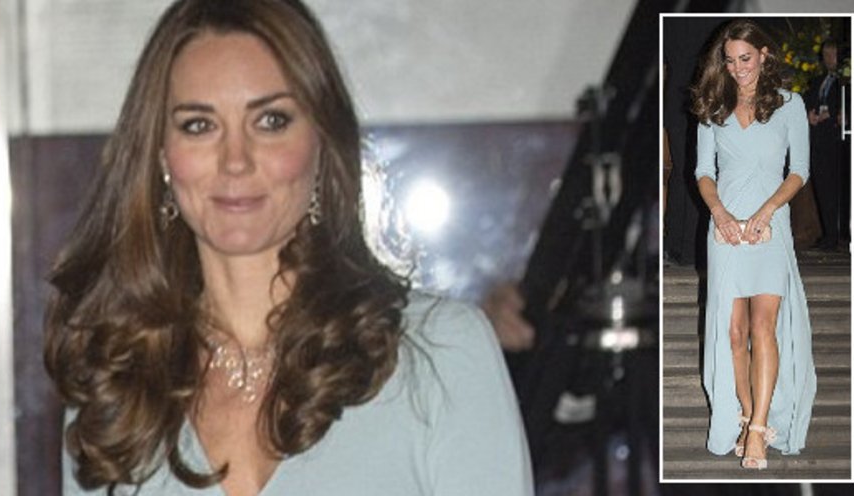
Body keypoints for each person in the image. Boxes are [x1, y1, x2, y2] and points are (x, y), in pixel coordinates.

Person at [43, 1, 531, 494]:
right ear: (162, 157)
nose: (235, 160)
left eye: (271, 121)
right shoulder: (117, 393)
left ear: (322, 141)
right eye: (199, 125)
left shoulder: (441, 354)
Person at [690, 19, 816, 470]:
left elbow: (799, 171)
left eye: (745, 58)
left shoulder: (790, 104)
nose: (738, 68)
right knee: (733, 331)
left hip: (769, 228)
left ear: (764, 55)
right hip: (724, 230)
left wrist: (766, 213)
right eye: (729, 60)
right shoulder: (713, 107)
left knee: (764, 326)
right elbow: (703, 172)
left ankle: (760, 429)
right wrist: (720, 215)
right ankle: (745, 415)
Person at [804, 39, 845, 250]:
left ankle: (841, 233)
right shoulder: (818, 81)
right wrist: (809, 114)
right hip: (819, 142)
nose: (829, 59)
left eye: (833, 54)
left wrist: (833, 113)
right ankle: (829, 234)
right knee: (823, 189)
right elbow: (809, 102)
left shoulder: (844, 81)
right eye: (826, 55)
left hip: (837, 142)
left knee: (838, 189)